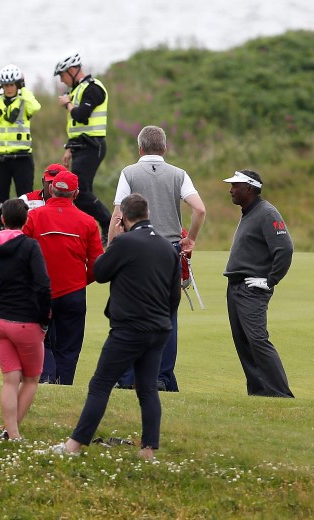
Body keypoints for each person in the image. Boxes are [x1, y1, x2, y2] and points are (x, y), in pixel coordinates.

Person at [52, 193, 181, 460]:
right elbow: (174, 296)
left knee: (100, 384)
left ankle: (75, 444)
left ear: (123, 218)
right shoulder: (168, 247)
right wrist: (163, 321)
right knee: (146, 388)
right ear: (147, 215)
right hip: (159, 329)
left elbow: (100, 273)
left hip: (130, 328)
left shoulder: (124, 243)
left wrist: (113, 238)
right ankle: (148, 450)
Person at [109, 125, 207, 392]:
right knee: (167, 315)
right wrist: (191, 239)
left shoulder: (129, 172)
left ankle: (129, 378)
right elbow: (199, 209)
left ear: (140, 148)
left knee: (131, 312)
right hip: (169, 249)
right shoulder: (179, 174)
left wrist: (112, 249)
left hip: (135, 250)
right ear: (164, 148)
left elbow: (118, 214)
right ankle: (162, 378)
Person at [0, 198, 51, 440]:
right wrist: (45, 318)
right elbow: (43, 286)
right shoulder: (30, 246)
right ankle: (11, 432)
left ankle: (11, 433)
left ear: (2, 219)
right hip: (26, 321)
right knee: (31, 379)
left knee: (9, 380)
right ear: (26, 221)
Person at [22, 171, 104, 385]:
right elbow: (97, 264)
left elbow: (20, 253)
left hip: (40, 293)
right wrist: (80, 281)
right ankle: (63, 385)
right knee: (69, 345)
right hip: (73, 293)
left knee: (41, 339)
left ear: (51, 189)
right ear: (75, 193)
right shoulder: (88, 222)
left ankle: (46, 378)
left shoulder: (33, 217)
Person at [222, 169, 294, 398]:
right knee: (243, 341)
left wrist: (270, 280)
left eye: (235, 185)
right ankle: (260, 393)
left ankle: (281, 395)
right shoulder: (249, 212)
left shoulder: (266, 213)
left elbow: (284, 248)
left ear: (249, 189)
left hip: (252, 288)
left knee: (257, 339)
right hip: (236, 287)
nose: (231, 189)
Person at [0, 64, 42, 230]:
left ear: (18, 85)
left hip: (22, 159)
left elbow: (35, 107)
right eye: (5, 85)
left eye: (12, 84)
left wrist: (24, 89)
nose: (9, 88)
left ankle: (27, 233)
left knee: (25, 200)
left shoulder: (24, 102)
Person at [54, 51, 111, 242]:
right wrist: (69, 148)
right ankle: (91, 232)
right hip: (80, 146)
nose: (62, 80)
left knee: (78, 191)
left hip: (93, 146)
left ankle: (108, 223)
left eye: (62, 75)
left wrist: (68, 104)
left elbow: (81, 115)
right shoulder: (77, 90)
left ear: (71, 70)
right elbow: (77, 127)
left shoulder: (93, 88)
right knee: (82, 191)